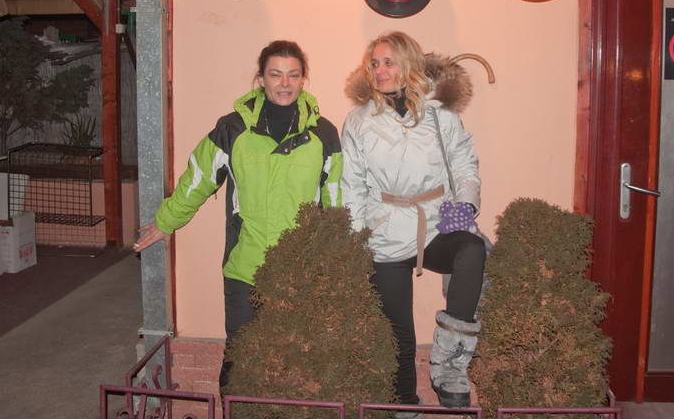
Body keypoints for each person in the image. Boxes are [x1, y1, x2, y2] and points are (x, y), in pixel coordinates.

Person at [134, 40, 343, 389]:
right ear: (260, 79)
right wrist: (166, 222)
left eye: (293, 75)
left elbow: (336, 200)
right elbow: (197, 179)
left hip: (301, 271)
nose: (285, 83)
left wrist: (336, 260)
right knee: (241, 360)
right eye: (275, 74)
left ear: (303, 80)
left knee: (295, 363)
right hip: (245, 267)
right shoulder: (232, 129)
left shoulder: (323, 133)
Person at [341, 32, 486, 411]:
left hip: (436, 221)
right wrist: (355, 241)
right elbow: (351, 186)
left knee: (471, 250)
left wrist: (465, 206)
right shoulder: (358, 121)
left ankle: (449, 366)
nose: (379, 70)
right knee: (398, 332)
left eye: (388, 62)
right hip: (384, 229)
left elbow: (464, 165)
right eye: (374, 63)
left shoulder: (441, 114)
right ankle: (404, 404)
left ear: (408, 64)